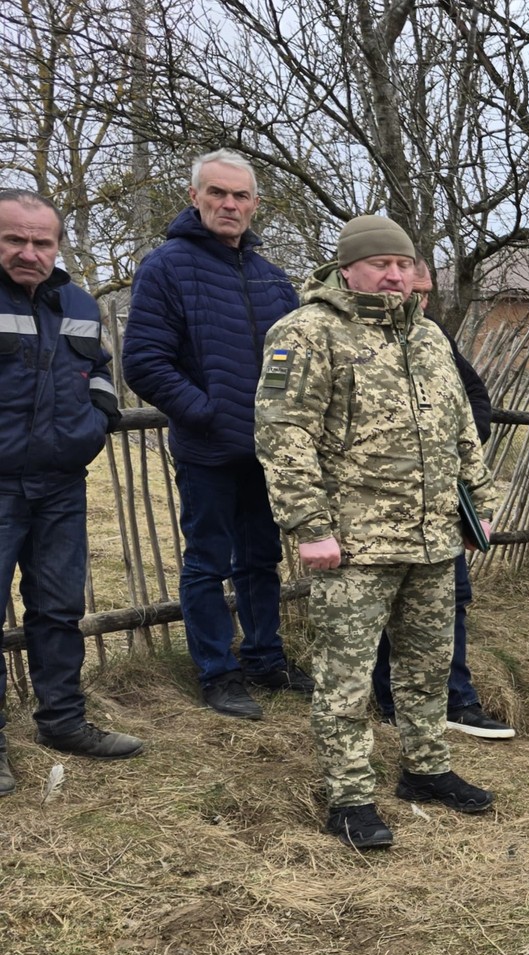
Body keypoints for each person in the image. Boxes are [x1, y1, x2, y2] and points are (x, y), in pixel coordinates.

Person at [256, 215, 497, 849]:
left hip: (432, 538)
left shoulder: (428, 338)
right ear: (348, 266)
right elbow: (284, 437)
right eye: (380, 264)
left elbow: (461, 431)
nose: (395, 276)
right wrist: (310, 526)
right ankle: (349, 795)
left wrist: (481, 499)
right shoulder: (307, 333)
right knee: (347, 674)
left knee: (426, 665)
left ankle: (426, 767)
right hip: (353, 546)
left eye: (404, 264)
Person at [123, 151, 308, 719]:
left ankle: (264, 659)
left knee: (262, 558)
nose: (230, 204)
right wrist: (205, 412)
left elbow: (297, 358)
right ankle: (216, 672)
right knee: (208, 561)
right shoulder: (167, 267)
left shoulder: (272, 277)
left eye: (241, 196)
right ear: (195, 197)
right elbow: (145, 362)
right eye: (218, 194)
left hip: (268, 450)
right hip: (207, 448)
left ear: (255, 204)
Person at [0, 189, 145, 794]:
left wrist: (97, 423)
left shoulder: (78, 302)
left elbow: (101, 374)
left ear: (57, 245)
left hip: (61, 483)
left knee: (59, 609)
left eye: (41, 241)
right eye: (15, 239)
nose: (29, 252)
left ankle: (62, 721)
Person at [369, 264, 513, 739]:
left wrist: (452, 442)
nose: (424, 303)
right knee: (384, 605)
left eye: (429, 295)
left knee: (450, 600)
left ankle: (456, 699)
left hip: (441, 501)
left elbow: (472, 395)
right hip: (379, 507)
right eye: (418, 292)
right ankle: (388, 700)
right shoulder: (346, 337)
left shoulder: (433, 338)